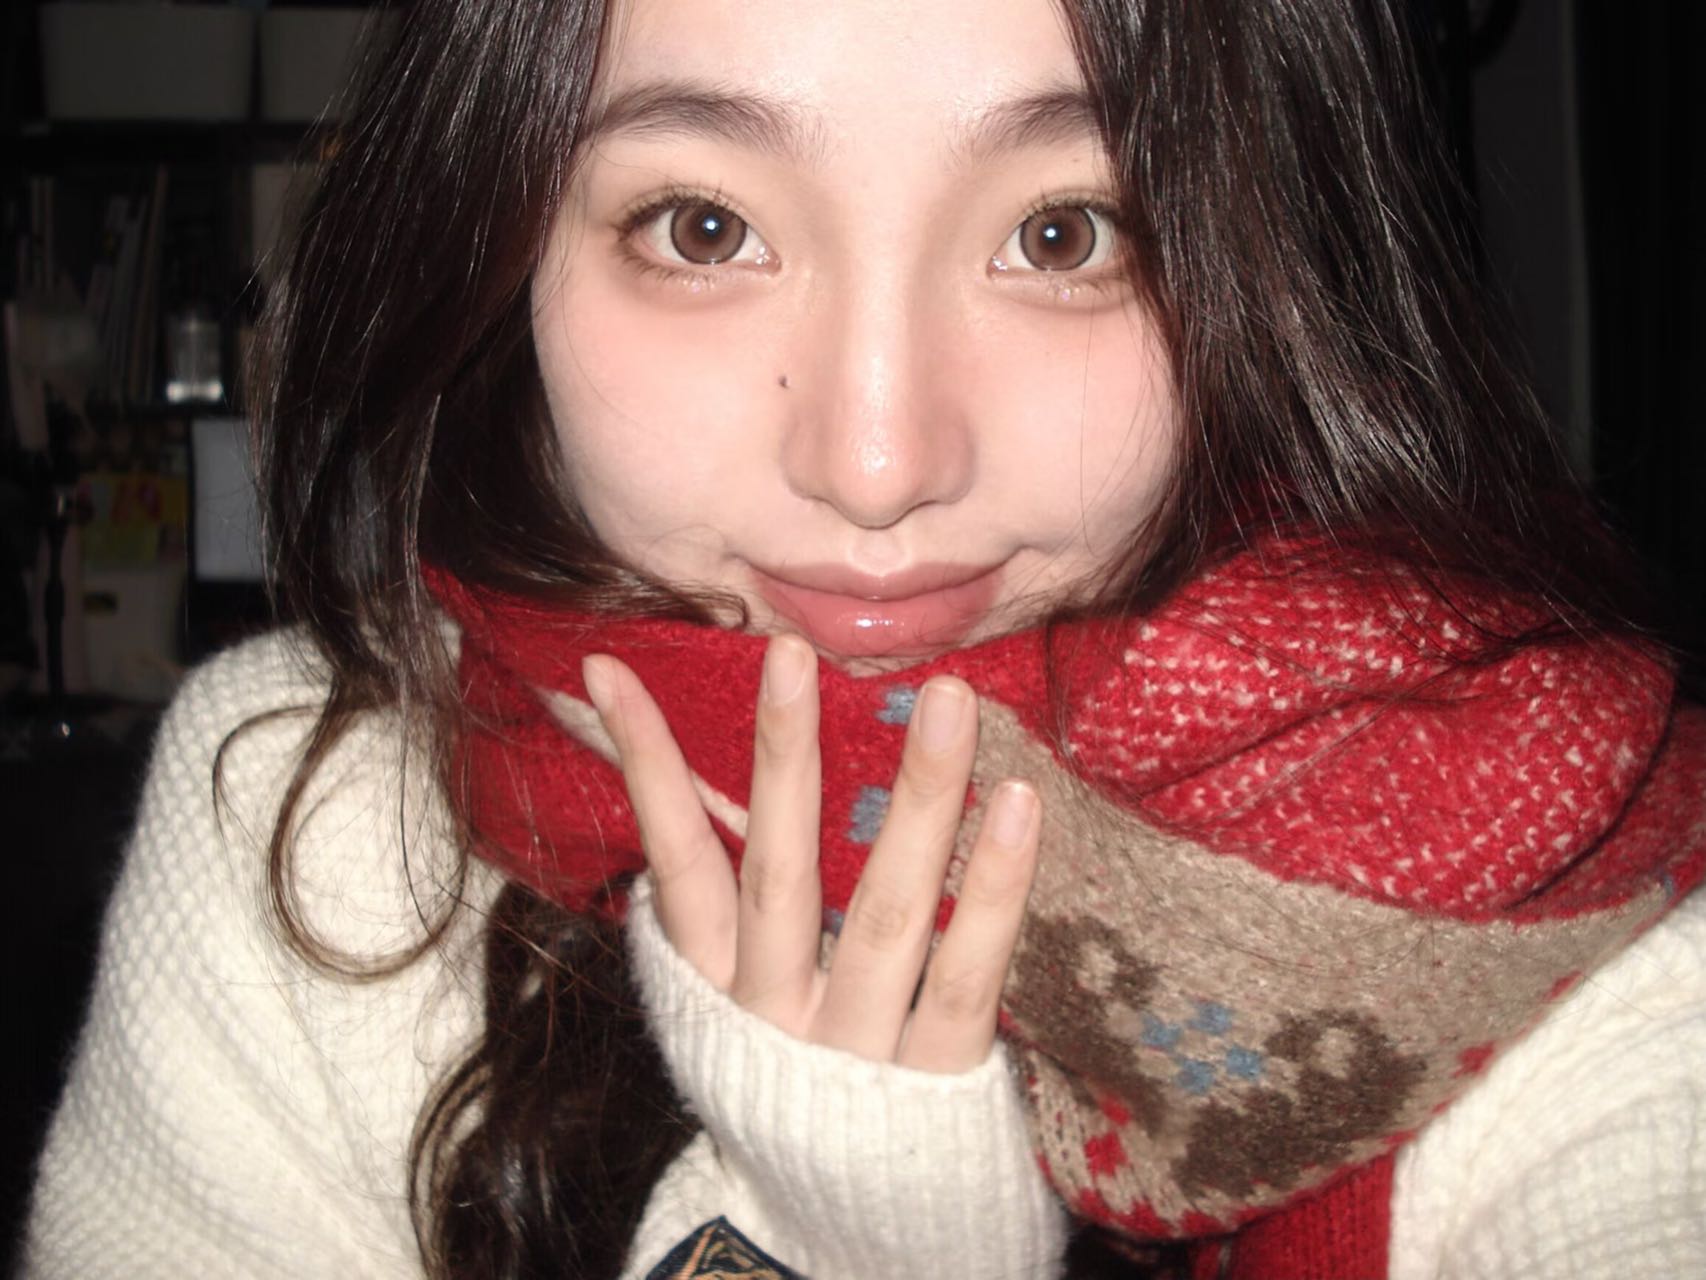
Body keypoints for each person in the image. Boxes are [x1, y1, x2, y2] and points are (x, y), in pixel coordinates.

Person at [23, 0, 1706, 1277]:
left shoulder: (1548, 871)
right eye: (702, 227)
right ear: (497, 243)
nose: (878, 462)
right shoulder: (317, 819)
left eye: (1061, 234)